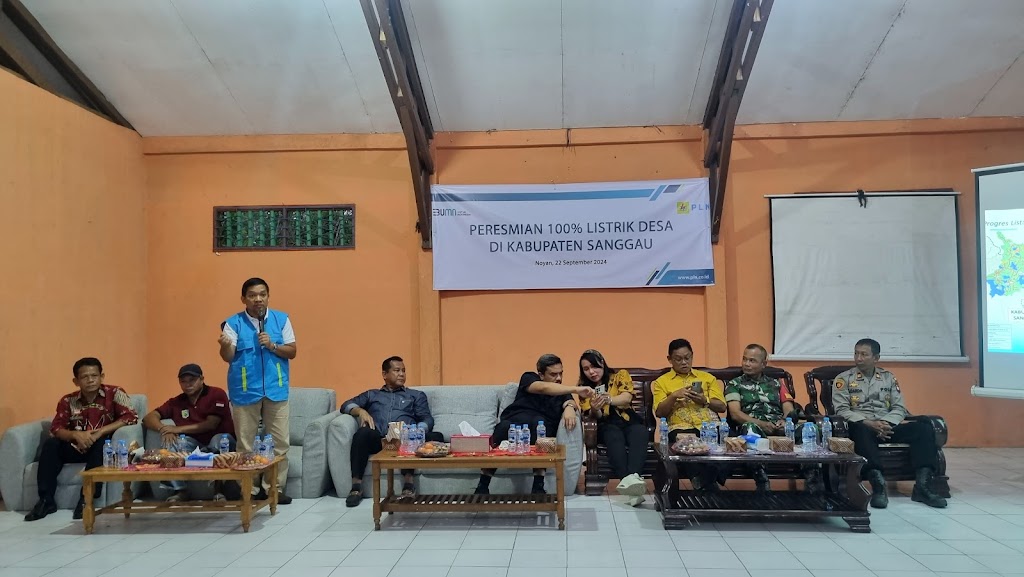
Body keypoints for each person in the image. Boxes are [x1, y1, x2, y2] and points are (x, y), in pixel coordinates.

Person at [834, 338, 947, 509]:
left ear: (876, 358)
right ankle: (878, 487)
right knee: (859, 430)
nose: (858, 358)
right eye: (856, 353)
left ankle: (923, 486)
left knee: (924, 428)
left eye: (864, 354)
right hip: (863, 426)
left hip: (887, 427)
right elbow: (842, 410)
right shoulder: (844, 379)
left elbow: (899, 407)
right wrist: (869, 423)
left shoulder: (888, 378)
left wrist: (886, 423)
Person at [25, 358, 139, 522]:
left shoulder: (115, 393)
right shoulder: (68, 401)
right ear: (76, 381)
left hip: (101, 447)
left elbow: (131, 417)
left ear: (102, 376)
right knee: (51, 445)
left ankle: (87, 499)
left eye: (94, 375)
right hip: (76, 446)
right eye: (85, 377)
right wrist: (75, 435)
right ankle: (45, 501)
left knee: (102, 443)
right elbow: (56, 428)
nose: (90, 380)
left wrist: (100, 432)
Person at [218, 277, 296, 504]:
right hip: (245, 391)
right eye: (252, 295)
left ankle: (274, 489)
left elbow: (292, 351)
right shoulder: (233, 323)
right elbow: (228, 356)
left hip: (276, 389)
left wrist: (272, 345)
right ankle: (249, 490)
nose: (258, 299)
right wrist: (225, 346)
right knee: (246, 444)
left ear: (268, 296)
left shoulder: (281, 319)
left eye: (262, 294)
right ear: (243, 299)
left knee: (280, 443)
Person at [474, 354, 594, 496]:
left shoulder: (562, 392)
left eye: (561, 373)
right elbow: (542, 388)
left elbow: (570, 402)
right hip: (515, 423)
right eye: (553, 374)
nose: (559, 378)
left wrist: (570, 407)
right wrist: (576, 389)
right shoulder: (529, 377)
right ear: (541, 375)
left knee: (541, 430)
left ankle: (538, 486)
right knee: (503, 428)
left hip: (540, 427)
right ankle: (483, 485)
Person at [340, 356, 442, 507]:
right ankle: (356, 487)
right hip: (379, 440)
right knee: (362, 433)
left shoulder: (415, 395)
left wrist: (417, 430)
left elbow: (427, 418)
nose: (401, 374)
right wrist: (360, 411)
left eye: (404, 371)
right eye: (397, 370)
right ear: (385, 374)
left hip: (406, 439)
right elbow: (346, 405)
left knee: (435, 437)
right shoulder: (372, 394)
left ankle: (408, 485)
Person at [725, 344, 822, 494]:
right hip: (755, 427)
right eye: (744, 359)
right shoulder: (735, 384)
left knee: (811, 429)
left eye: (752, 360)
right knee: (749, 429)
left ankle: (812, 476)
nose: (746, 364)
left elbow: (789, 409)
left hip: (779, 427)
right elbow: (735, 414)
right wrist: (763, 424)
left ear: (763, 364)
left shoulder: (777, 384)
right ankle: (761, 478)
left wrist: (785, 421)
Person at [142, 363, 238, 502]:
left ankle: (218, 490)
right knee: (171, 442)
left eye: (192, 380)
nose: (188, 385)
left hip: (222, 441)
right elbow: (148, 417)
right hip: (194, 444)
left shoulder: (216, 394)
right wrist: (164, 429)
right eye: (183, 381)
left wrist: (176, 429)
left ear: (202, 379)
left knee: (217, 441)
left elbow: (211, 424)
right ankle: (180, 490)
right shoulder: (177, 401)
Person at [652, 338, 726, 491]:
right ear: (670, 359)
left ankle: (704, 480)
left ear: (692, 356)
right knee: (686, 443)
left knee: (727, 441)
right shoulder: (662, 382)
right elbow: (659, 412)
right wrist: (673, 396)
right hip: (681, 427)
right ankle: (707, 483)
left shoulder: (707, 378)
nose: (684, 362)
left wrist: (704, 400)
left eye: (687, 358)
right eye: (678, 359)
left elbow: (722, 406)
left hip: (710, 425)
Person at [577, 349, 647, 503]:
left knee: (640, 432)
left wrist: (609, 399)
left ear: (602, 363)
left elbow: (626, 398)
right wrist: (595, 408)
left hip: (627, 419)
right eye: (586, 369)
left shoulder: (620, 376)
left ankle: (631, 482)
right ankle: (631, 486)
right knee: (613, 435)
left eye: (594, 366)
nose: (591, 372)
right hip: (606, 423)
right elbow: (596, 415)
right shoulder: (584, 388)